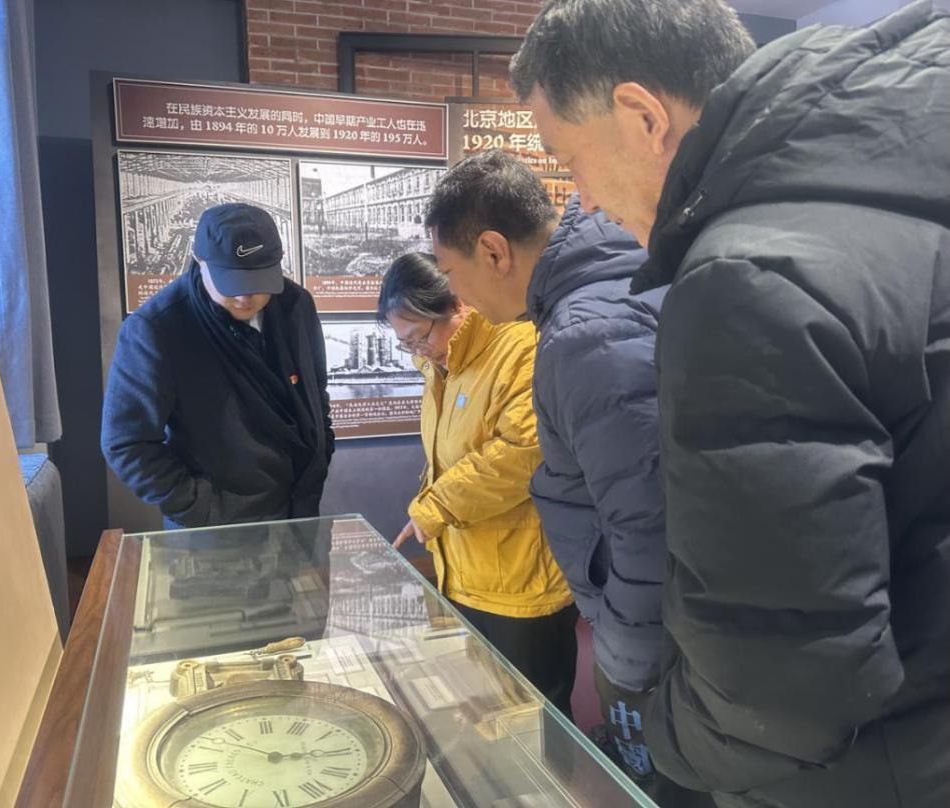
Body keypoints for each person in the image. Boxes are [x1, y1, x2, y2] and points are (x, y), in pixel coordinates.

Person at [511, 2, 950, 807]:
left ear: (642, 116)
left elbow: (778, 692)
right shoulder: (897, 199)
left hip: (864, 771)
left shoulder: (746, 279)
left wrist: (658, 738)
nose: (587, 201)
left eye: (569, 160)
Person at [421, 150, 705, 804]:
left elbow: (645, 524)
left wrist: (622, 670)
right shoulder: (604, 291)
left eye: (450, 272)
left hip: (656, 639)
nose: (457, 297)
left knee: (657, 786)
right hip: (675, 622)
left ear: (493, 251)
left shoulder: (584, 336)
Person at [377, 252, 579, 718]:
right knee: (482, 712)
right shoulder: (443, 364)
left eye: (420, 336)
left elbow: (524, 451)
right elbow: (447, 457)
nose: (418, 350)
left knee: (537, 720)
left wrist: (436, 507)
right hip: (465, 571)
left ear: (456, 304)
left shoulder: (521, 348)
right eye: (406, 343)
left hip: (522, 582)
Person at [102, 203, 334, 528]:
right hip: (216, 531)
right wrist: (202, 507)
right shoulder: (157, 328)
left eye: (258, 280)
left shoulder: (296, 304)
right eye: (231, 281)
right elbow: (126, 443)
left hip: (301, 511)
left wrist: (322, 448)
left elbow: (316, 391)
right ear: (199, 261)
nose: (245, 297)